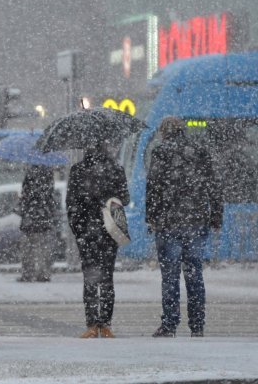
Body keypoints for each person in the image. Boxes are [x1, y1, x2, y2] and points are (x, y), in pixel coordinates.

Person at [146, 116, 223, 338]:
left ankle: (170, 324)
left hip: (168, 222)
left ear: (164, 132)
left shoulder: (161, 152)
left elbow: (153, 187)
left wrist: (151, 217)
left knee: (170, 276)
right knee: (194, 273)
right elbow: (213, 184)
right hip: (196, 221)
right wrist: (216, 215)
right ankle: (197, 324)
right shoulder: (199, 150)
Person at [66, 141, 130, 338]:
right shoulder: (116, 169)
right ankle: (106, 324)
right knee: (107, 277)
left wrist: (78, 229)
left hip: (86, 232)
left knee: (91, 278)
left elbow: (71, 204)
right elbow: (125, 199)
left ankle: (92, 323)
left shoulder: (78, 170)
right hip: (109, 231)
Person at [18, 164, 59, 282]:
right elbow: (50, 195)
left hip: (30, 217)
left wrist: (24, 200)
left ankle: (28, 273)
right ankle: (43, 274)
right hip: (43, 217)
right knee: (43, 248)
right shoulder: (48, 173)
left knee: (29, 248)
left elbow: (26, 195)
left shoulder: (30, 173)